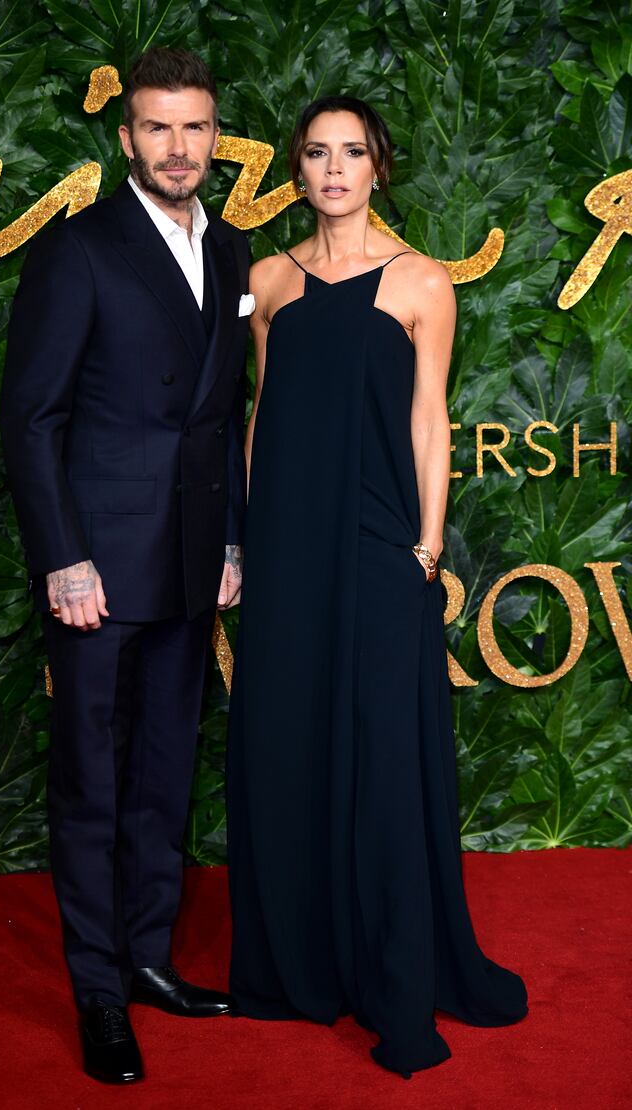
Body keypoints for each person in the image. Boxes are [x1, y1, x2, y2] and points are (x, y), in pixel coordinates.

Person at [226, 95, 528, 1078]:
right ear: (298, 168)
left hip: (376, 543)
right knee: (287, 744)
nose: (332, 169)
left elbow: (430, 419)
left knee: (384, 758)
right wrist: (244, 543)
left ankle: (396, 974)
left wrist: (425, 547)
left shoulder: (421, 281)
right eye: (316, 153)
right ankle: (295, 966)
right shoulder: (267, 280)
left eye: (350, 152)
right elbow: (262, 414)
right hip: (284, 550)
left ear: (377, 167)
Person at [0, 47, 252, 1086]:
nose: (178, 147)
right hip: (98, 571)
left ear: (215, 136)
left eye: (194, 127)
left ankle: (148, 959)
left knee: (161, 778)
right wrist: (64, 558)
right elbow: (32, 417)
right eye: (158, 127)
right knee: (91, 787)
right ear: (127, 137)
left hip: (190, 562)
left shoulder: (231, 249)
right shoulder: (80, 249)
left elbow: (223, 415)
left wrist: (230, 539)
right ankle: (98, 994)